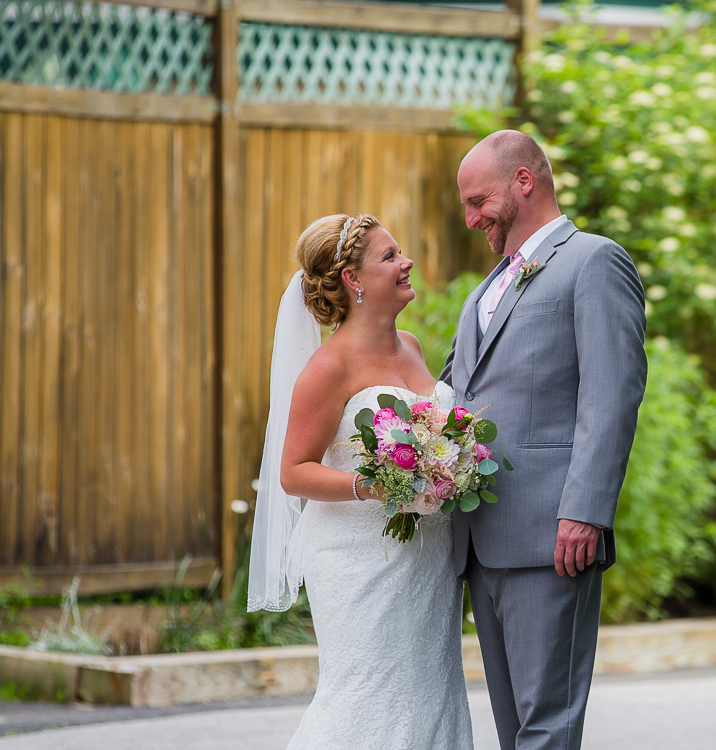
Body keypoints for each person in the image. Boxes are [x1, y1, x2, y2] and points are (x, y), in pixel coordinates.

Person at [442, 130, 648, 750]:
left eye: (479, 202)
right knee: (514, 730)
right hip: (484, 539)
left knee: (546, 727)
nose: (473, 218)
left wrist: (584, 511)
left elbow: (612, 394)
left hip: (553, 537)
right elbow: (453, 395)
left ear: (523, 182)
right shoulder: (485, 289)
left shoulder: (594, 261)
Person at [247, 213, 474, 750]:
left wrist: (451, 463)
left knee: (432, 691)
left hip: (428, 557)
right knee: (367, 695)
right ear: (353, 279)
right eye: (390, 256)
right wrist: (374, 485)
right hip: (360, 560)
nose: (407, 262)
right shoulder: (329, 367)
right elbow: (293, 471)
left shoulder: (413, 347)